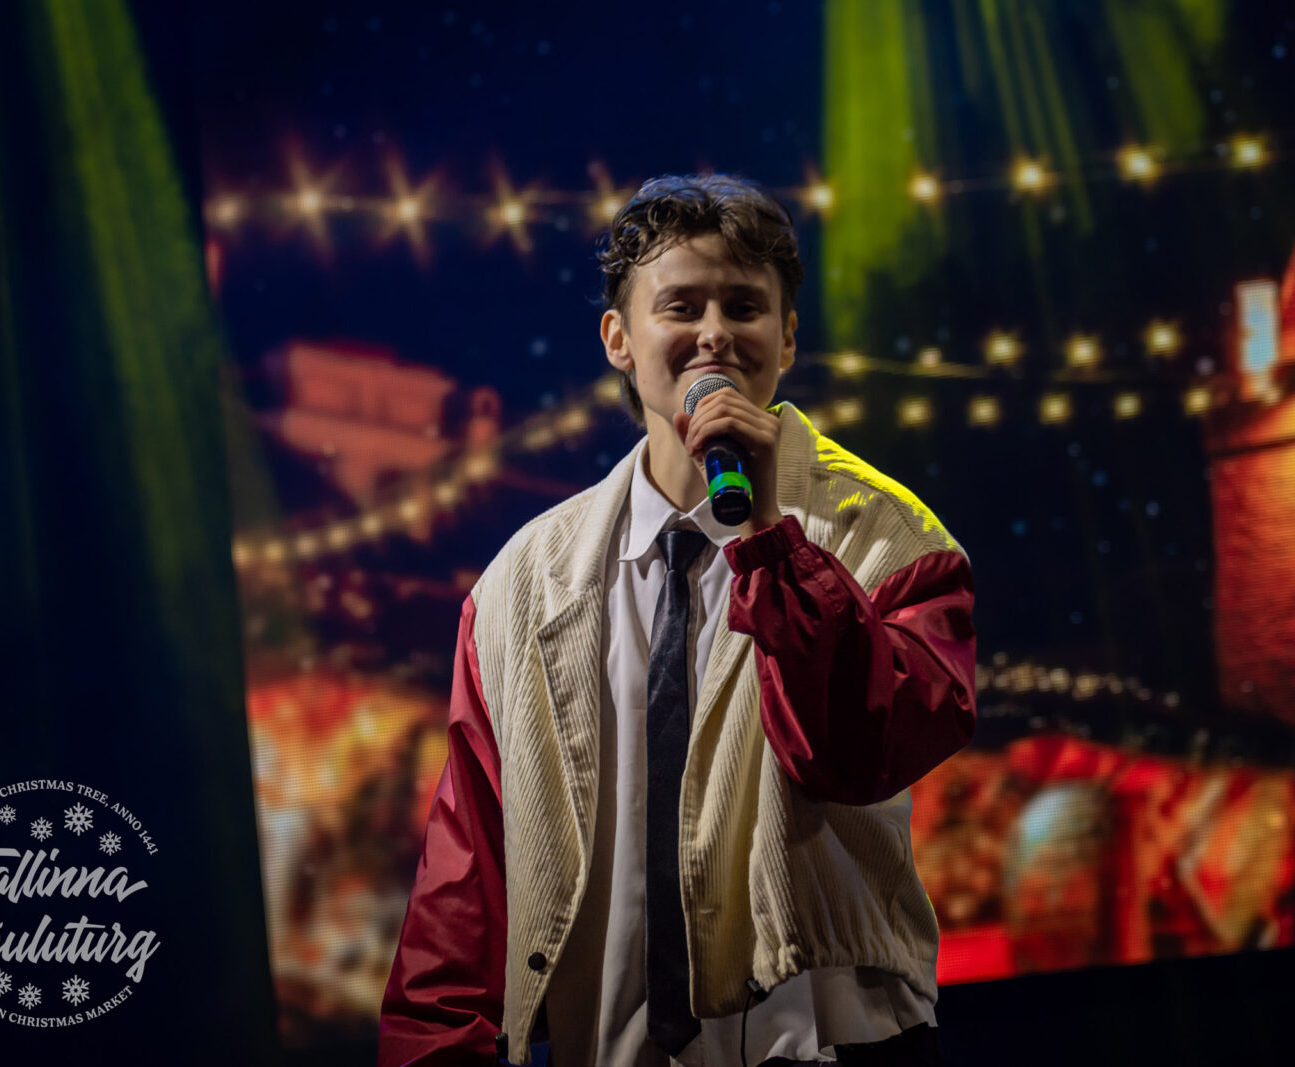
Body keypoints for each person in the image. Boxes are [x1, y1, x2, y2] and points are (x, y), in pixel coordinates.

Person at [379, 174, 977, 1067]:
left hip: (827, 1046)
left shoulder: (891, 540)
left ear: (787, 336)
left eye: (745, 306)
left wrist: (772, 542)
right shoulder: (519, 585)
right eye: (682, 305)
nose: (715, 333)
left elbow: (857, 751)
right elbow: (469, 865)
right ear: (618, 338)